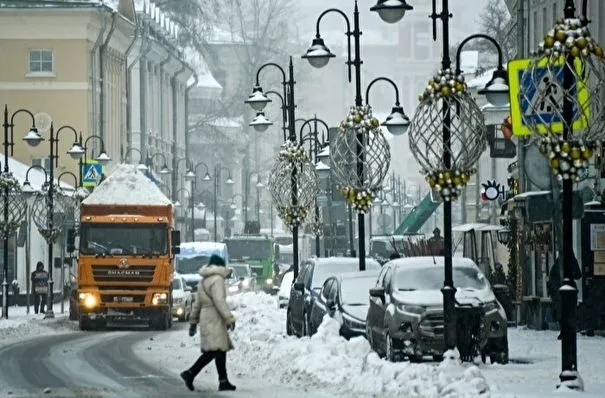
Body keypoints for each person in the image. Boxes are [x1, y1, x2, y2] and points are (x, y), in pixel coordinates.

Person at [180, 254, 237, 392]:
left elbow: (197, 305)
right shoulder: (217, 280)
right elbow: (219, 301)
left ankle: (223, 381)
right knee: (213, 351)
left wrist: (193, 322)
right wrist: (229, 318)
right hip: (215, 318)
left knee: (220, 350)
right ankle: (190, 373)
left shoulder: (203, 281)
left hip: (207, 318)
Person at [547, 253, 582, 340]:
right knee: (563, 312)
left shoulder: (562, 262)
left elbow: (578, 274)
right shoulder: (560, 263)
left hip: (565, 292)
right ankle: (566, 330)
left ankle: (567, 330)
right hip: (562, 292)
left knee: (565, 311)